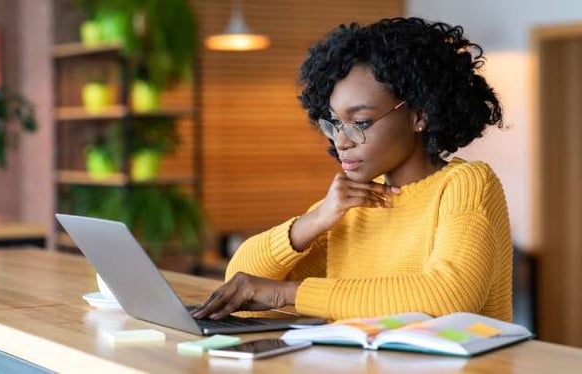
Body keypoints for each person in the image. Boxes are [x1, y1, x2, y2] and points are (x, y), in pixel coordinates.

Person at [192, 17, 512, 322]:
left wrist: (288, 293)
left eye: (359, 122)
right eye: (334, 123)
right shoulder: (351, 203)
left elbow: (449, 296)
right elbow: (242, 291)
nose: (341, 141)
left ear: (419, 115)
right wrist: (315, 221)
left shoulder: (466, 184)